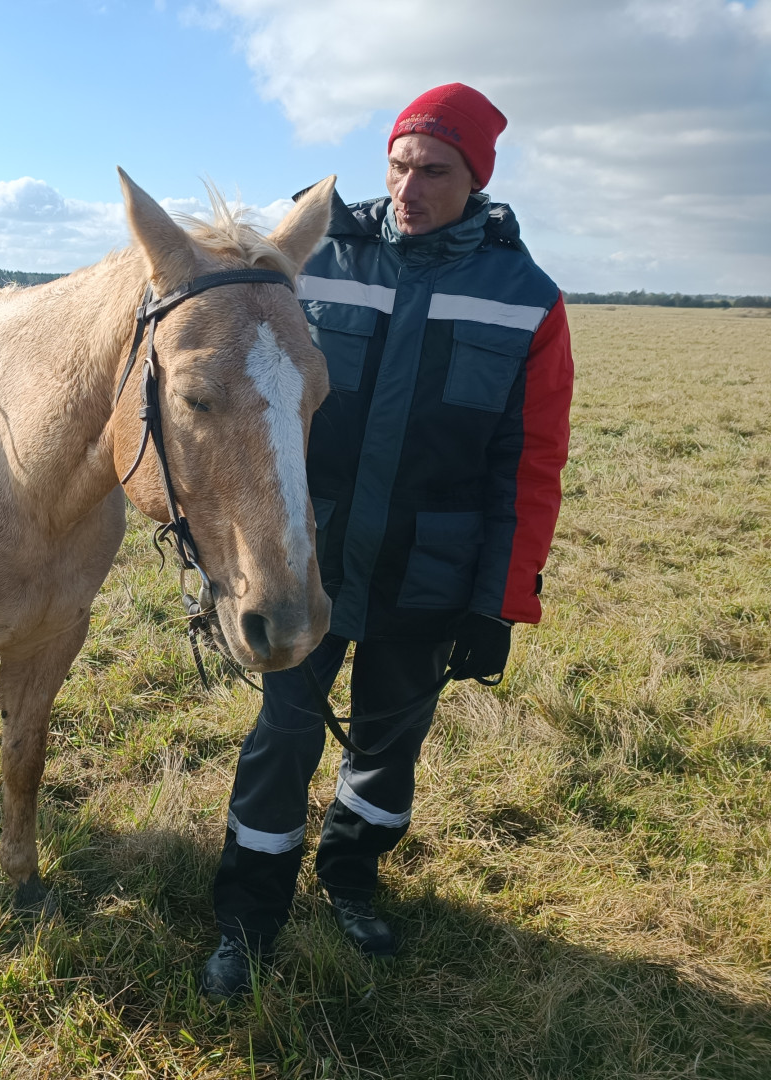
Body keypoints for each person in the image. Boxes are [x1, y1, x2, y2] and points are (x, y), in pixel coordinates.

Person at [200, 83, 575, 1000]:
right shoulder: (311, 255)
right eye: (399, 164)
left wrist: (500, 600)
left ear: (475, 177)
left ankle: (353, 875)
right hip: (309, 561)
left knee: (387, 746)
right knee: (282, 737)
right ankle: (249, 910)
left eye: (435, 170)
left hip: (430, 569)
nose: (410, 187)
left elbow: (529, 464)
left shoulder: (526, 300)